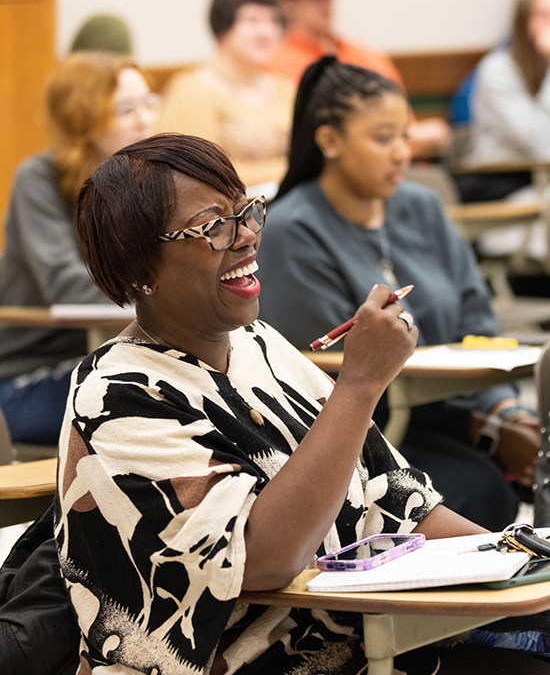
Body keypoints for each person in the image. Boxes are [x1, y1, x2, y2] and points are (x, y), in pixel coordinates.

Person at [52, 131, 550, 675]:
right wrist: (360, 385)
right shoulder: (117, 394)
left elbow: (398, 499)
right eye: (214, 226)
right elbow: (263, 558)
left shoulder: (259, 344)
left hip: (376, 638)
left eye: (246, 211)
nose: (245, 237)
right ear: (138, 269)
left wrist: (524, 560)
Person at [257, 57, 540, 531]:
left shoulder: (422, 207)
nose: (401, 153)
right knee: (482, 486)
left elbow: (479, 323)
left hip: (456, 415)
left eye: (405, 137)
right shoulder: (292, 229)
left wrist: (504, 410)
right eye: (383, 138)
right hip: (369, 437)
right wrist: (484, 429)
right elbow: (333, 373)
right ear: (329, 140)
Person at [0, 51, 159, 446]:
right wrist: (164, 297)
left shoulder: (151, 179)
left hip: (113, 356)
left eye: (148, 103)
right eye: (125, 109)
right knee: (157, 401)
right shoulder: (39, 180)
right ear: (83, 118)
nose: (145, 119)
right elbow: (68, 284)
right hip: (32, 373)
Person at [265, 0, 450, 158]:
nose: (325, 2)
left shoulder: (366, 54)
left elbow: (410, 125)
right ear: (287, 4)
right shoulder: (274, 62)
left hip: (404, 159)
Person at [157, 0, 295, 191]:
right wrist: (291, 170)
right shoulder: (191, 91)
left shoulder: (286, 89)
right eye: (252, 20)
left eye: (273, 21)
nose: (266, 32)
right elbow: (194, 172)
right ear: (223, 25)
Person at [458, 0, 550, 203]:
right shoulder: (497, 71)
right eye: (544, 16)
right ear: (525, 23)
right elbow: (541, 143)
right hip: (505, 188)